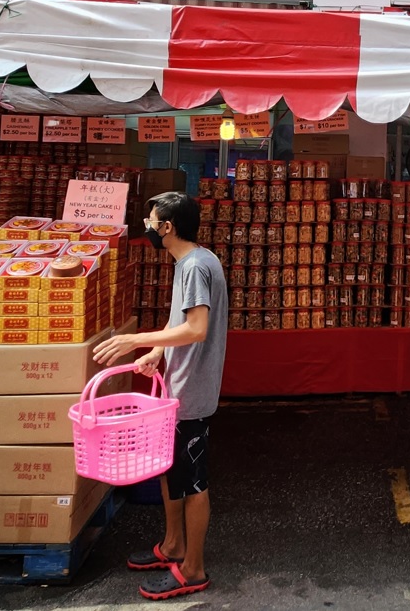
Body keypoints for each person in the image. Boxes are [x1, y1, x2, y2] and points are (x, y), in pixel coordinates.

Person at [95, 192, 228, 602]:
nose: (148, 228)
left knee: (193, 482)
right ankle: (173, 545)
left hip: (192, 393)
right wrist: (157, 352)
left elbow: (196, 328)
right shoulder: (193, 261)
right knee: (171, 473)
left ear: (167, 227)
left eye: (152, 222)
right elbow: (180, 325)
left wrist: (135, 339)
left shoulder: (194, 267)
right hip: (180, 385)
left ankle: (193, 568)